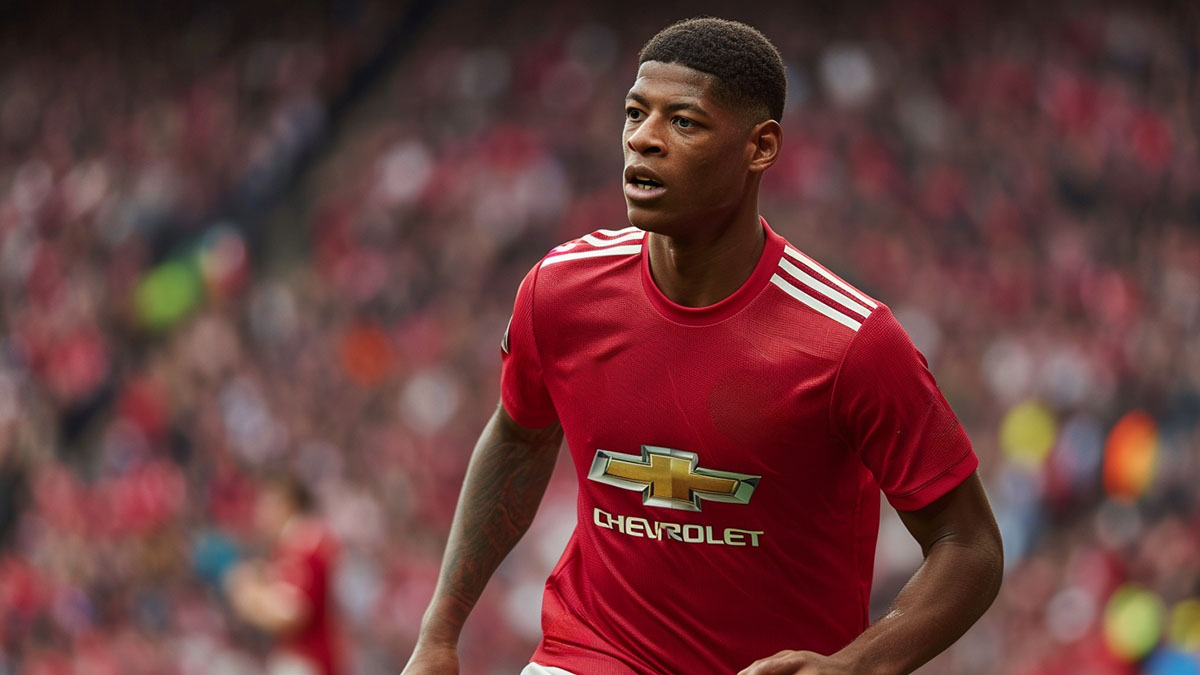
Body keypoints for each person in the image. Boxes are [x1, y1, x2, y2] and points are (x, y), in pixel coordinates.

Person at [404, 16, 1003, 675]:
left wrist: (856, 665)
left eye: (683, 121)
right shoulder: (560, 290)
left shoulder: (851, 343)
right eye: (635, 112)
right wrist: (439, 631)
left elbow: (967, 544)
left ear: (760, 147)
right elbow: (519, 437)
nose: (642, 139)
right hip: (591, 653)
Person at [226, 474, 342, 675]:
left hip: (307, 660)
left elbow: (290, 615)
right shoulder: (309, 542)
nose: (259, 514)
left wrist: (248, 597)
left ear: (284, 505)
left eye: (265, 505)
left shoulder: (302, 546)